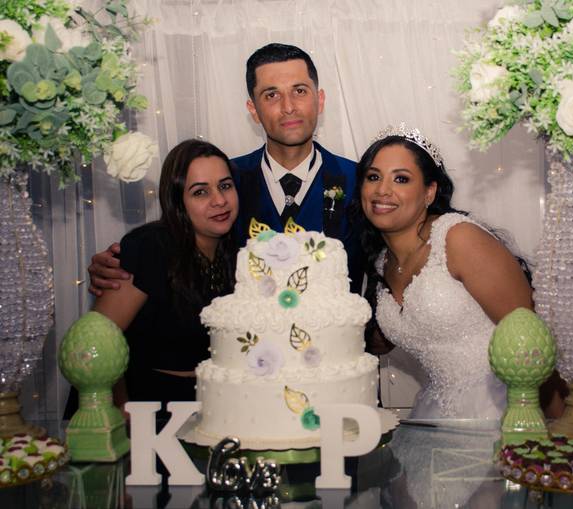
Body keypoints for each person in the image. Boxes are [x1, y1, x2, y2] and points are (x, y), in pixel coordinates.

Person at [88, 43, 362, 295]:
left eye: (299, 91)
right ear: (253, 109)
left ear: (320, 100)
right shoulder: (222, 181)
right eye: (271, 95)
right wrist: (125, 262)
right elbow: (175, 243)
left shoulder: (360, 180)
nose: (288, 107)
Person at [356, 124, 565, 419]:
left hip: (505, 408)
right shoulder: (382, 264)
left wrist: (556, 426)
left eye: (401, 179)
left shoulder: (458, 239)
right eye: (373, 177)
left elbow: (534, 346)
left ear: (429, 192)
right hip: (437, 413)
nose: (382, 190)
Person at [66, 139, 239, 417]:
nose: (219, 200)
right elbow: (97, 342)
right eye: (200, 192)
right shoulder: (150, 247)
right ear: (177, 201)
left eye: (225, 186)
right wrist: (122, 411)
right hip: (147, 406)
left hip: (214, 406)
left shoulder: (237, 252)